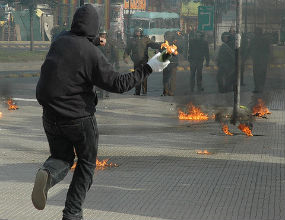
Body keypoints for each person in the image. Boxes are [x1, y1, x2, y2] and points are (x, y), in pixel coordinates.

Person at [31, 4, 170, 220]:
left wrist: (94, 41)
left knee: (62, 156)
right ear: (95, 28)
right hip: (79, 119)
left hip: (50, 116)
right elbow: (119, 83)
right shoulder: (91, 55)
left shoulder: (59, 41)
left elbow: (78, 42)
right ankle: (72, 213)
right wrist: (150, 67)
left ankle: (47, 174)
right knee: (86, 164)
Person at [123, 27, 161, 95]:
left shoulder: (145, 39)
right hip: (136, 60)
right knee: (137, 76)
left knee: (144, 76)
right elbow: (127, 49)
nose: (138, 32)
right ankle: (137, 91)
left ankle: (144, 91)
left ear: (141, 32)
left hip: (144, 60)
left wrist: (160, 46)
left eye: (139, 31)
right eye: (136, 31)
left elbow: (153, 45)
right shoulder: (132, 40)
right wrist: (125, 57)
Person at [97, 29, 120, 98]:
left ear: (106, 35)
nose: (103, 36)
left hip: (109, 62)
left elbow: (115, 53)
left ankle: (107, 92)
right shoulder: (97, 42)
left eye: (104, 34)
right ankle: (101, 93)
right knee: (100, 78)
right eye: (101, 34)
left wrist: (117, 63)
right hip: (99, 63)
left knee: (107, 78)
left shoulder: (110, 42)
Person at [249, 27, 271, 93]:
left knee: (256, 74)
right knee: (262, 74)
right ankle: (261, 87)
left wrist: (251, 56)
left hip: (257, 60)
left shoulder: (253, 39)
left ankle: (257, 88)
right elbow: (268, 50)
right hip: (263, 60)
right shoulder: (265, 39)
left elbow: (250, 49)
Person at [162, 31, 180, 96]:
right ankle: (167, 91)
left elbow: (179, 51)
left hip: (172, 63)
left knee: (170, 78)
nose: (166, 38)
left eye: (167, 36)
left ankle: (169, 91)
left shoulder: (175, 44)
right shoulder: (164, 44)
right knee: (168, 78)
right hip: (167, 63)